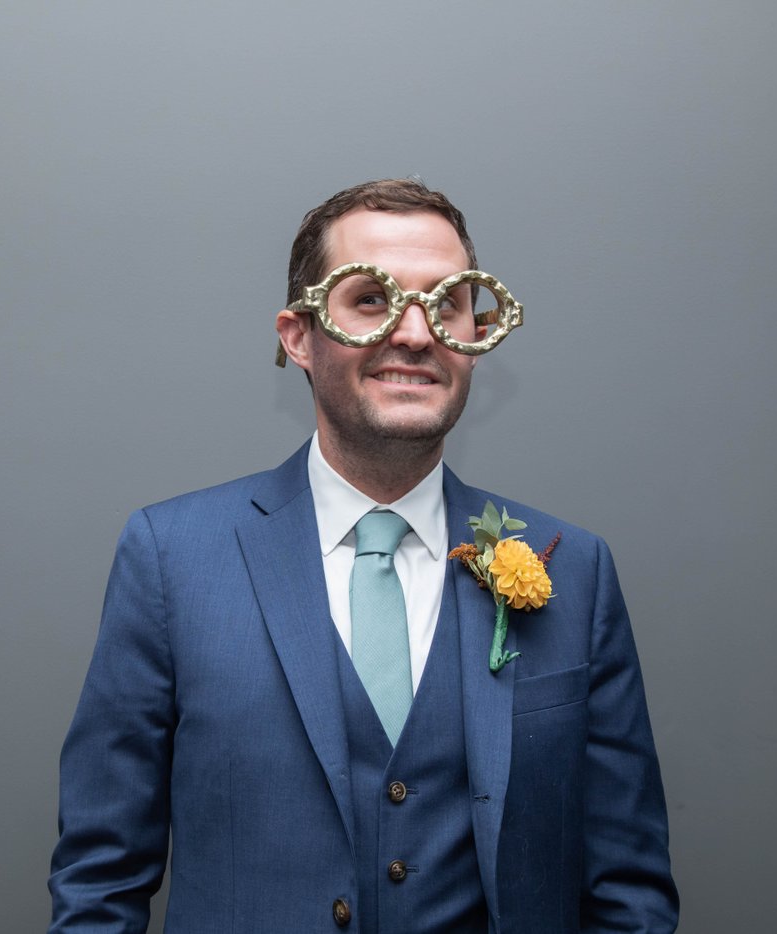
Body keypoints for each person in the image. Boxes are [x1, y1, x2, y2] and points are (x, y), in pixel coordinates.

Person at [48, 179, 678, 933]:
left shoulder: (574, 569)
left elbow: (630, 892)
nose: (416, 334)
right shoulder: (172, 558)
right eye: (372, 301)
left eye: (446, 303)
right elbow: (99, 880)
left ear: (476, 337)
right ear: (298, 336)